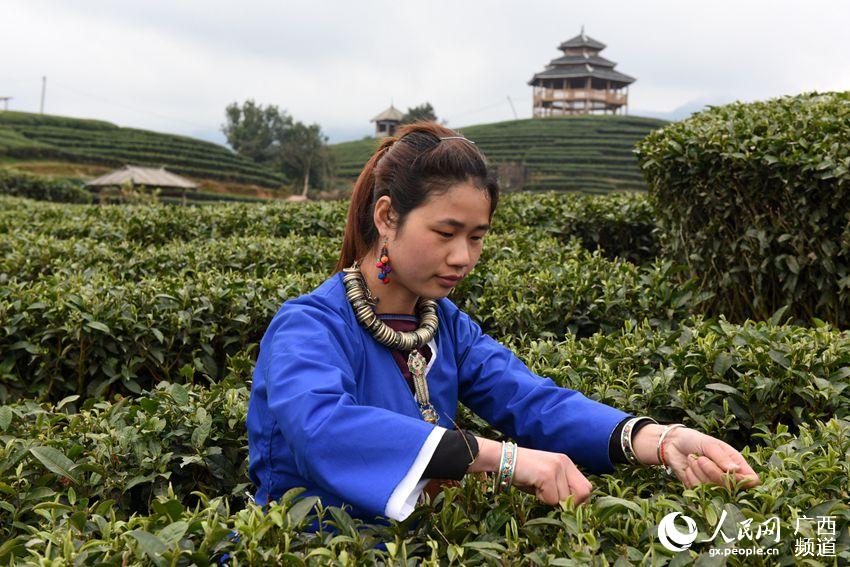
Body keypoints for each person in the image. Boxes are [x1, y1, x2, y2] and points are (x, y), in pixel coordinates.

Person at [246, 121, 760, 532]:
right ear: (386, 217)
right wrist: (504, 459)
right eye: (446, 232)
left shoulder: (444, 324)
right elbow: (322, 427)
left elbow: (534, 401)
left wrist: (658, 439)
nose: (462, 257)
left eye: (476, 237)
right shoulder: (310, 325)